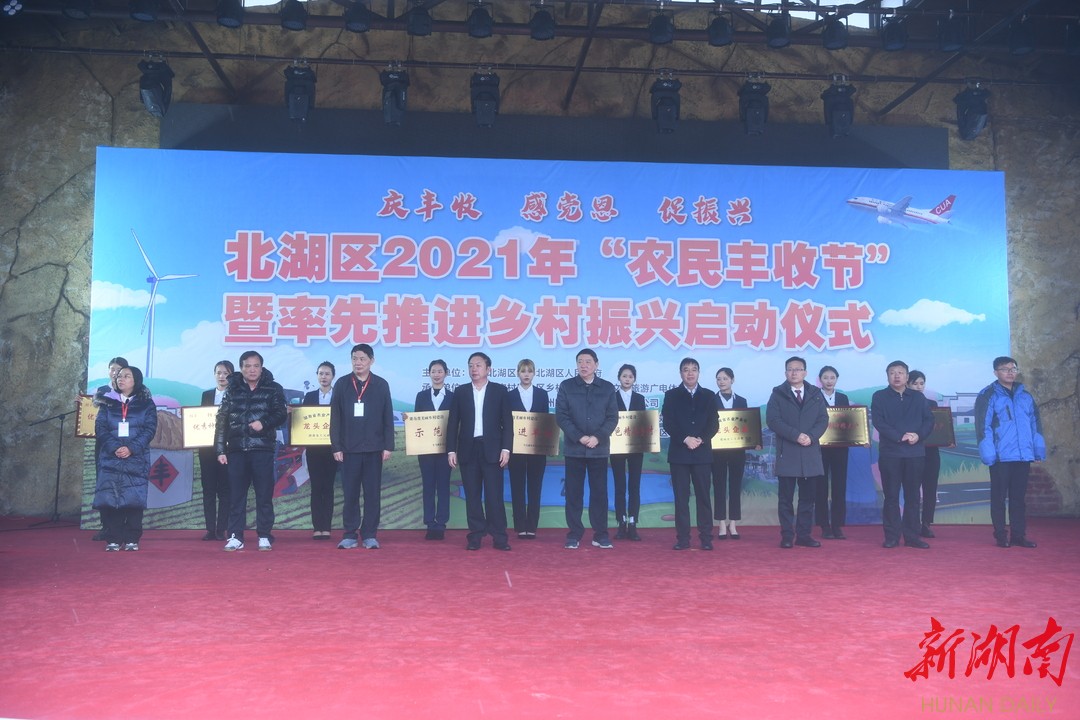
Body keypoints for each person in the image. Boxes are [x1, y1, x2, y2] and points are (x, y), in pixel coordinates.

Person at [215, 351, 288, 552]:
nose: (252, 370)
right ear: (241, 368)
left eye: (256, 366)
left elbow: (281, 413)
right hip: (236, 450)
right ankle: (235, 536)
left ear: (261, 368)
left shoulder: (273, 388)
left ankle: (264, 535)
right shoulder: (232, 389)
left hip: (262, 449)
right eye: (247, 366)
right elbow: (221, 420)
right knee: (236, 496)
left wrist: (264, 422)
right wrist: (220, 449)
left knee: (264, 495)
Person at [974, 356, 1045, 549]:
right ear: (995, 372)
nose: (1010, 372)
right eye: (1005, 369)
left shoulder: (1025, 396)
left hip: (1023, 455)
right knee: (998, 498)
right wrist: (988, 453)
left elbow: (1035, 424)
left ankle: (1018, 536)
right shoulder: (988, 395)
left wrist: (1038, 449)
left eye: (1013, 368)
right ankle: (1001, 536)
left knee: (1018, 499)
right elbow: (983, 426)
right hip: (1000, 456)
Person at [330, 343, 395, 550]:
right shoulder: (342, 384)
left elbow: (387, 416)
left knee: (372, 494)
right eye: (354, 359)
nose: (358, 363)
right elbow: (335, 418)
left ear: (371, 361)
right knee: (350, 493)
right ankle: (349, 534)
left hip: (374, 449)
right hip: (349, 449)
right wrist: (336, 446)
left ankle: (369, 534)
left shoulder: (381, 385)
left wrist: (388, 446)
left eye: (362, 359)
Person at [446, 352, 513, 551]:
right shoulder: (461, 392)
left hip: (493, 450)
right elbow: (453, 423)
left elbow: (508, 423)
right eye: (471, 365)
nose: (474, 369)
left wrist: (506, 448)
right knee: (472, 496)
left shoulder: (499, 391)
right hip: (468, 449)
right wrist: (451, 450)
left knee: (494, 496)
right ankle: (475, 535)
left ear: (488, 369)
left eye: (478, 365)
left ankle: (499, 537)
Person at [555, 348, 618, 550]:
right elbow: (561, 415)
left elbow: (612, 417)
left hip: (598, 450)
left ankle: (600, 534)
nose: (584, 365)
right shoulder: (566, 386)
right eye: (580, 361)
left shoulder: (607, 388)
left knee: (599, 493)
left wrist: (597, 437)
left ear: (596, 365)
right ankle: (574, 534)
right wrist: (579, 436)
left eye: (588, 361)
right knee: (574, 494)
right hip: (574, 449)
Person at [766, 356, 828, 549]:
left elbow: (823, 420)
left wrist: (811, 436)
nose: (794, 373)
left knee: (808, 499)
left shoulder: (815, 393)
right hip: (788, 453)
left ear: (805, 372)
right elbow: (773, 420)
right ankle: (786, 536)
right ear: (785, 373)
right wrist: (796, 435)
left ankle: (804, 535)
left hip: (810, 452)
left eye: (798, 369)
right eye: (790, 369)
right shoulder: (778, 394)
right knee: (785, 499)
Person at [870, 360, 934, 550]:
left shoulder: (918, 397)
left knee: (912, 497)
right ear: (887, 376)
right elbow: (879, 422)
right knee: (891, 497)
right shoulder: (880, 396)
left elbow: (928, 421)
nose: (896, 376)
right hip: (891, 453)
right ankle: (892, 536)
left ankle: (912, 536)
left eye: (900, 372)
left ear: (907, 376)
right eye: (892, 373)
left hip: (915, 453)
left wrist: (918, 435)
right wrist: (899, 436)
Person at [94, 366, 157, 552]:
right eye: (119, 376)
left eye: (126, 376)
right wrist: (115, 447)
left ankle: (132, 538)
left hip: (136, 458)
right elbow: (100, 428)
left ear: (136, 380)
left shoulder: (146, 404)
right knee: (111, 497)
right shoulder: (107, 403)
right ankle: (113, 538)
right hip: (111, 457)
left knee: (134, 498)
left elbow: (149, 429)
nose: (121, 379)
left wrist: (131, 448)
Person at [663, 358, 719, 551]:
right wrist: (685, 438)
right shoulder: (671, 395)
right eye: (686, 370)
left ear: (699, 373)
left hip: (702, 454)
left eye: (694, 369)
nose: (690, 373)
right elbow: (668, 423)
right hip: (679, 454)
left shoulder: (709, 396)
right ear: (680, 373)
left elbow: (714, 424)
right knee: (681, 498)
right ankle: (683, 539)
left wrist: (701, 439)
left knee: (703, 497)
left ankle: (706, 538)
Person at [507, 358, 549, 539]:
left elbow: (546, 422)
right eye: (523, 371)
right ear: (518, 373)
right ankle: (519, 525)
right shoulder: (509, 395)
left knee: (535, 487)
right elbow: (506, 423)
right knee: (517, 487)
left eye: (529, 371)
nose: (526, 374)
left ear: (534, 373)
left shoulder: (542, 394)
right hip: (516, 449)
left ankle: (531, 525)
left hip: (537, 450)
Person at [414, 359, 453, 541]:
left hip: (446, 450)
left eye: (440, 371)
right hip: (426, 450)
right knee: (428, 486)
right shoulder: (421, 396)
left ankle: (441, 523)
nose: (436, 374)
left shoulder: (453, 397)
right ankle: (430, 523)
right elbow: (417, 421)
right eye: (433, 371)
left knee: (443, 486)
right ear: (428, 373)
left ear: (446, 373)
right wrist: (408, 419)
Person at [91, 356, 128, 541]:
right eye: (112, 369)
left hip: (126, 444)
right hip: (105, 444)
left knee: (125, 485)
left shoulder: (131, 392)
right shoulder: (102, 391)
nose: (115, 373)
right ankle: (106, 527)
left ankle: (124, 527)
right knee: (104, 484)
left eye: (118, 370)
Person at [197, 360, 233, 541]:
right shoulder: (207, 395)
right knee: (208, 489)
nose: (222, 376)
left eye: (226, 373)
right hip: (207, 448)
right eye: (219, 373)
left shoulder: (236, 394)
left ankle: (222, 528)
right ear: (214, 375)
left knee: (225, 489)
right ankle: (210, 529)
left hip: (228, 449)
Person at [712, 367, 749, 540]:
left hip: (737, 451)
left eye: (725, 378)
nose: (721, 382)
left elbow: (746, 424)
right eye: (719, 379)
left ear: (732, 380)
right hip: (716, 451)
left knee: (735, 486)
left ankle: (733, 523)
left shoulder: (741, 401)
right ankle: (721, 523)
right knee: (719, 486)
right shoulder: (711, 400)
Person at [303, 361, 338, 540]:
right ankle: (317, 527)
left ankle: (327, 527)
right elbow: (303, 420)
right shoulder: (309, 396)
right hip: (314, 449)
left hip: (333, 449)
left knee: (328, 487)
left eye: (327, 374)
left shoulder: (339, 396)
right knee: (316, 487)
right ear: (317, 375)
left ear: (333, 376)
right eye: (321, 373)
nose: (324, 377)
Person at [611, 363, 646, 541]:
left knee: (634, 485)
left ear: (634, 379)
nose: (627, 379)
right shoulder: (612, 397)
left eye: (630, 376)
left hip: (635, 447)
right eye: (624, 376)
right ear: (619, 378)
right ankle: (621, 521)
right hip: (616, 447)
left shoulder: (639, 398)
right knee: (619, 485)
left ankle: (633, 522)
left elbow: (643, 421)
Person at [816, 365, 850, 540]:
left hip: (840, 448)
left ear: (836, 379)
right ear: (820, 380)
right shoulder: (814, 397)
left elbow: (849, 421)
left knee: (839, 486)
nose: (829, 381)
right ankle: (824, 525)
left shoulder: (843, 398)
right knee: (820, 487)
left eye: (832, 378)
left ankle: (837, 525)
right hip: (819, 448)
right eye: (825, 378)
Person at [907, 370, 940, 539]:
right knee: (912, 489)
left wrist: (947, 439)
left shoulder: (932, 403)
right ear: (907, 384)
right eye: (915, 383)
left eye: (922, 383)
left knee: (930, 488)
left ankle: (926, 523)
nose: (919, 387)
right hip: (911, 452)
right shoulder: (903, 403)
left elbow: (940, 427)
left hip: (931, 451)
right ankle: (912, 524)